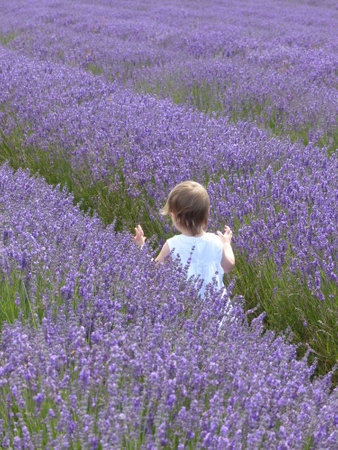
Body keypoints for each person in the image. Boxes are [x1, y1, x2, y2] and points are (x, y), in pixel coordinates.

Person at [134, 181, 235, 298]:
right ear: (207, 212)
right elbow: (228, 266)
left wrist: (141, 247)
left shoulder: (172, 244)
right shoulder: (215, 241)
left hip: (188, 308)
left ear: (174, 217)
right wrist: (226, 244)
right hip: (218, 308)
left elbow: (154, 271)